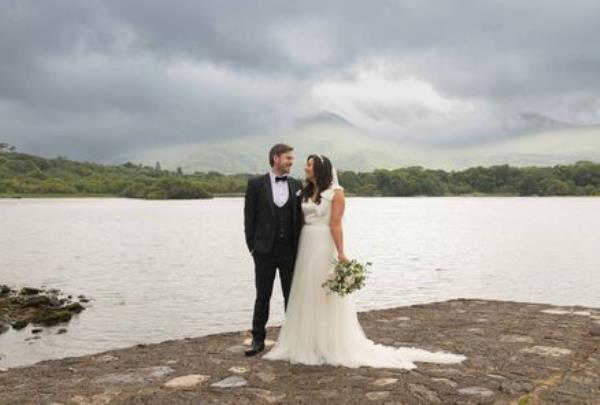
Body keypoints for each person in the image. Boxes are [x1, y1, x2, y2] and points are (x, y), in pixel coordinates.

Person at [262, 154, 466, 369]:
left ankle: (329, 342)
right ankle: (306, 341)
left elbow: (336, 225)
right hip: (306, 244)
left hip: (324, 244)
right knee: (308, 291)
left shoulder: (336, 194)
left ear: (320, 169)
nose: (305, 168)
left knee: (325, 294)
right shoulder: (304, 191)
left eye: (309, 165)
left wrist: (340, 254)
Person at [243, 143, 304, 356]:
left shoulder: (297, 185)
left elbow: (301, 220)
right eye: (288, 158)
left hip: (289, 251)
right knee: (263, 296)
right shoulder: (256, 185)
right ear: (276, 158)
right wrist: (253, 248)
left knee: (291, 296)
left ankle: (293, 338)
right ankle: (257, 339)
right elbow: (249, 220)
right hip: (264, 251)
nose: (291, 163)